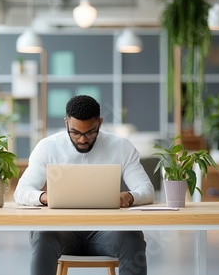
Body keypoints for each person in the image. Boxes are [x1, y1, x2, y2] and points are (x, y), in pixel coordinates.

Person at [14, 95, 155, 275]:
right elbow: (21, 191)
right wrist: (44, 197)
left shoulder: (121, 147)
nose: (82, 139)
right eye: (75, 132)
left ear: (100, 123)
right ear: (66, 123)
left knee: (131, 238)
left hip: (108, 231)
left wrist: (130, 196)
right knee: (42, 235)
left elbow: (146, 189)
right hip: (62, 231)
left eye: (89, 132)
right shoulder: (47, 147)